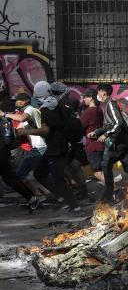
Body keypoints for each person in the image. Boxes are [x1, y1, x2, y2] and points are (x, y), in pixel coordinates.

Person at [16, 81, 80, 211]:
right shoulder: (58, 104)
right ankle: (63, 199)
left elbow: (46, 130)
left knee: (58, 178)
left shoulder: (46, 108)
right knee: (40, 172)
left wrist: (25, 131)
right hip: (61, 145)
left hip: (54, 147)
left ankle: (73, 205)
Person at [88, 83, 128, 202]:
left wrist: (106, 134)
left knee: (105, 165)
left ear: (103, 93)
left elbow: (118, 123)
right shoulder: (106, 105)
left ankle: (109, 196)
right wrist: (97, 132)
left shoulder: (110, 104)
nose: (97, 95)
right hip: (124, 142)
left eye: (98, 92)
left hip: (118, 143)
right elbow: (109, 124)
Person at [0, 92, 50, 203]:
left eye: (17, 100)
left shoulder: (30, 109)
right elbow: (19, 129)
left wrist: (4, 114)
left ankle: (38, 197)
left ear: (24, 101)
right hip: (35, 147)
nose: (15, 103)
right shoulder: (28, 111)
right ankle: (48, 195)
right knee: (39, 173)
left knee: (20, 174)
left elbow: (22, 119)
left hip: (38, 147)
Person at [80, 89, 105, 184]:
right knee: (101, 171)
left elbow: (79, 126)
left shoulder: (89, 112)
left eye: (85, 97)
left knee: (97, 172)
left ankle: (115, 190)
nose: (84, 99)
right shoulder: (99, 110)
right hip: (99, 144)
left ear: (91, 98)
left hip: (92, 145)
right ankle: (110, 192)